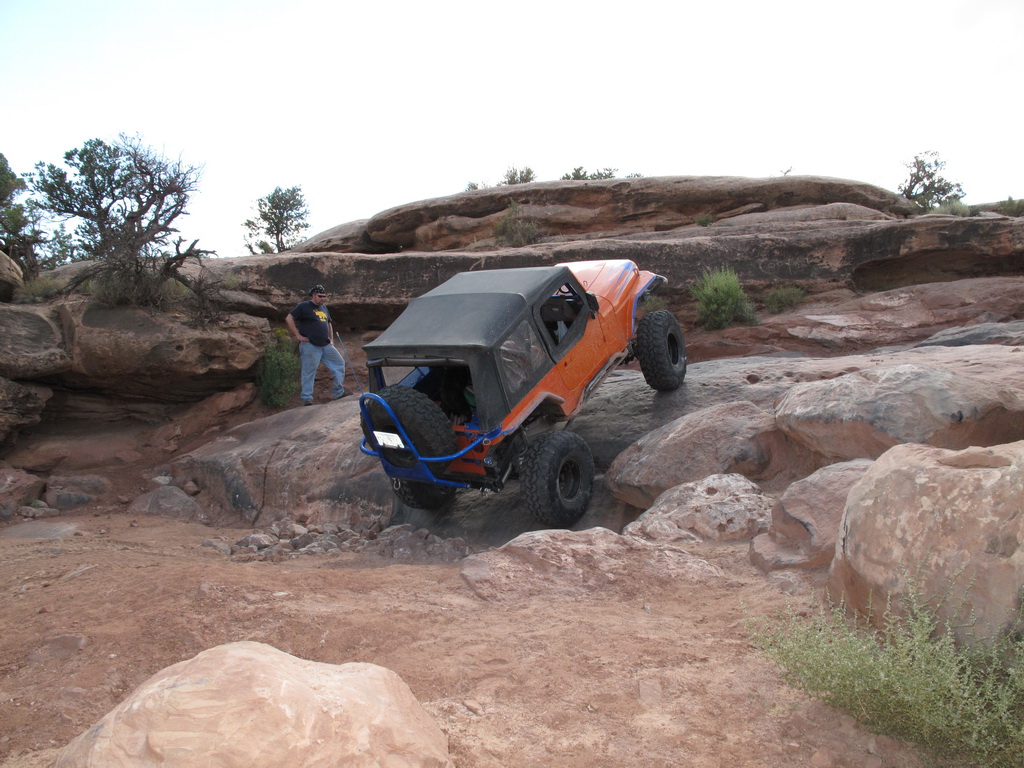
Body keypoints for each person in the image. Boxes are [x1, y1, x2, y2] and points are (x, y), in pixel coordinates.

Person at [285, 284, 347, 405]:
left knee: (339, 364)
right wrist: (297, 335)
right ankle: (307, 398)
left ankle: (338, 393)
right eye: (320, 296)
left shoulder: (324, 307)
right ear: (313, 295)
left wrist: (331, 339)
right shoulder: (304, 306)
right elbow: (289, 318)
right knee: (309, 371)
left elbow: (329, 323)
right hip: (310, 345)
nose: (323, 298)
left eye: (324, 296)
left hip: (325, 345)